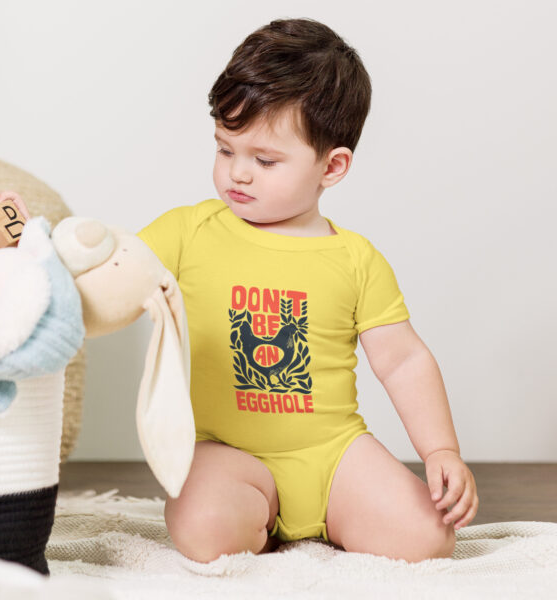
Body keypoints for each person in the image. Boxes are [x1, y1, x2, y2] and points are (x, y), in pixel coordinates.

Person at [137, 17, 478, 564]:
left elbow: (403, 361)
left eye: (264, 160)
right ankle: (258, 518)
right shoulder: (188, 231)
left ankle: (317, 519)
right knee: (203, 529)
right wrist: (41, 251)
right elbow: (114, 271)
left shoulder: (355, 259)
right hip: (226, 449)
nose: (237, 174)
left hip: (331, 452)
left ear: (332, 165)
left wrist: (441, 450)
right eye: (226, 150)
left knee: (428, 539)